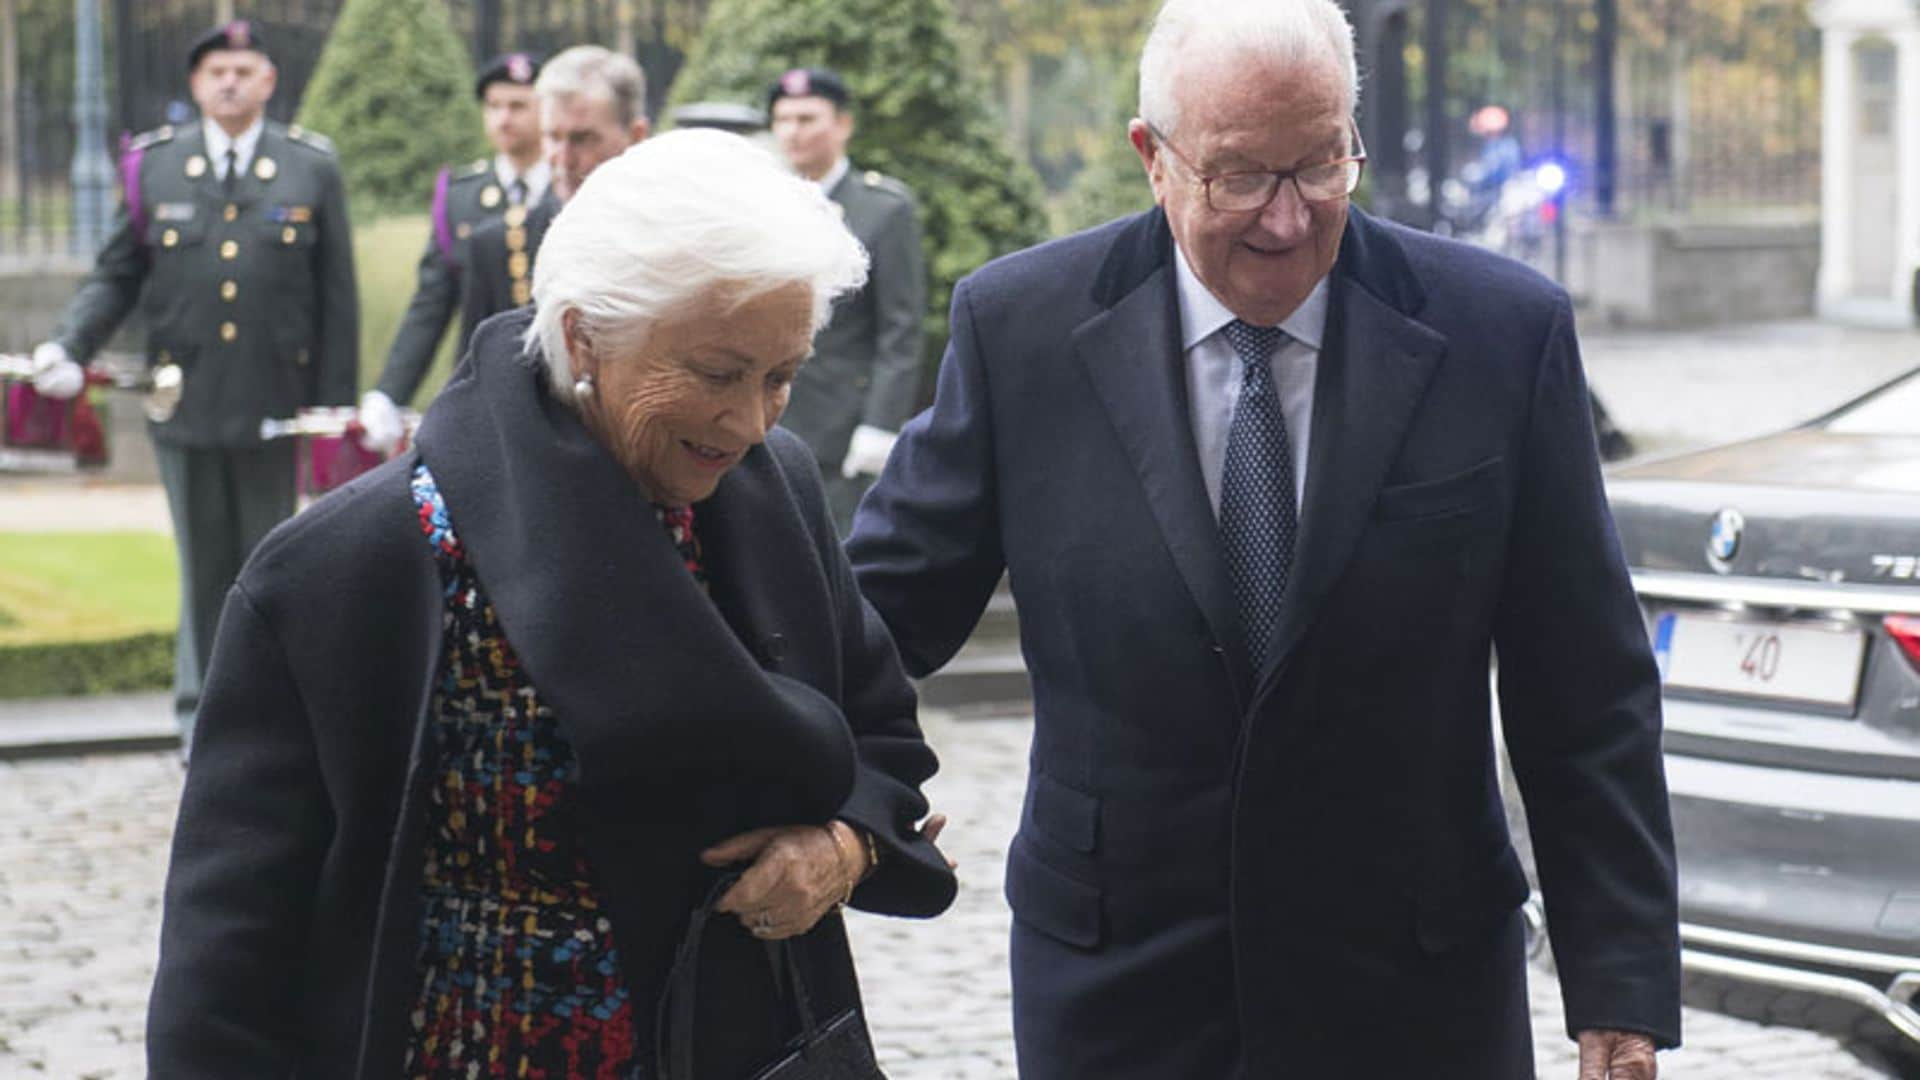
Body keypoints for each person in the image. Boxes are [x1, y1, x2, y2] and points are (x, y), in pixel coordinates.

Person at [845, 0, 1680, 1076]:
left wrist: (1617, 985)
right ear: (1154, 158)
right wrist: (846, 805)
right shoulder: (1022, 331)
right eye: (1241, 176)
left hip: (1413, 985)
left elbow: (1586, 684)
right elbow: (875, 620)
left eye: (1321, 165)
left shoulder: (1500, 335)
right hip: (1122, 988)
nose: (1288, 219)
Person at [147, 129, 957, 1078]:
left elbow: (882, 742)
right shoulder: (348, 569)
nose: (750, 422)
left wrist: (843, 848)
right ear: (582, 338)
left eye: (782, 377)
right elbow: (227, 964)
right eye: (715, 373)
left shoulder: (773, 491)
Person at [28, 19, 356, 747]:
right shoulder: (155, 166)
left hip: (278, 406)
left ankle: (274, 721)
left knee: (273, 565)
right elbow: (117, 273)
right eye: (216, 72)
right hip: (184, 402)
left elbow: (338, 296)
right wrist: (68, 343)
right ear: (195, 85)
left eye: (243, 69)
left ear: (268, 80)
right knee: (202, 565)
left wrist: (333, 407)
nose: (230, 81)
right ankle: (200, 723)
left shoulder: (309, 167)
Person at [356, 51, 547, 453]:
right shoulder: (462, 196)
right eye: (493, 106)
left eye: (518, 105)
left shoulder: (570, 188)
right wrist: (389, 393)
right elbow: (432, 302)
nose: (503, 118)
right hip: (486, 387)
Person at [766, 67, 927, 534]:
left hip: (844, 433)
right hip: (769, 419)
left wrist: (879, 425)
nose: (792, 132)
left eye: (807, 118)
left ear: (843, 125)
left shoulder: (883, 208)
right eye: (783, 119)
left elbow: (900, 328)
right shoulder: (762, 205)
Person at [460, 45, 647, 346]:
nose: (562, 158)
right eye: (552, 137)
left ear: (636, 137)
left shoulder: (667, 239)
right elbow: (472, 382)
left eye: (581, 138)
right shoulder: (499, 246)